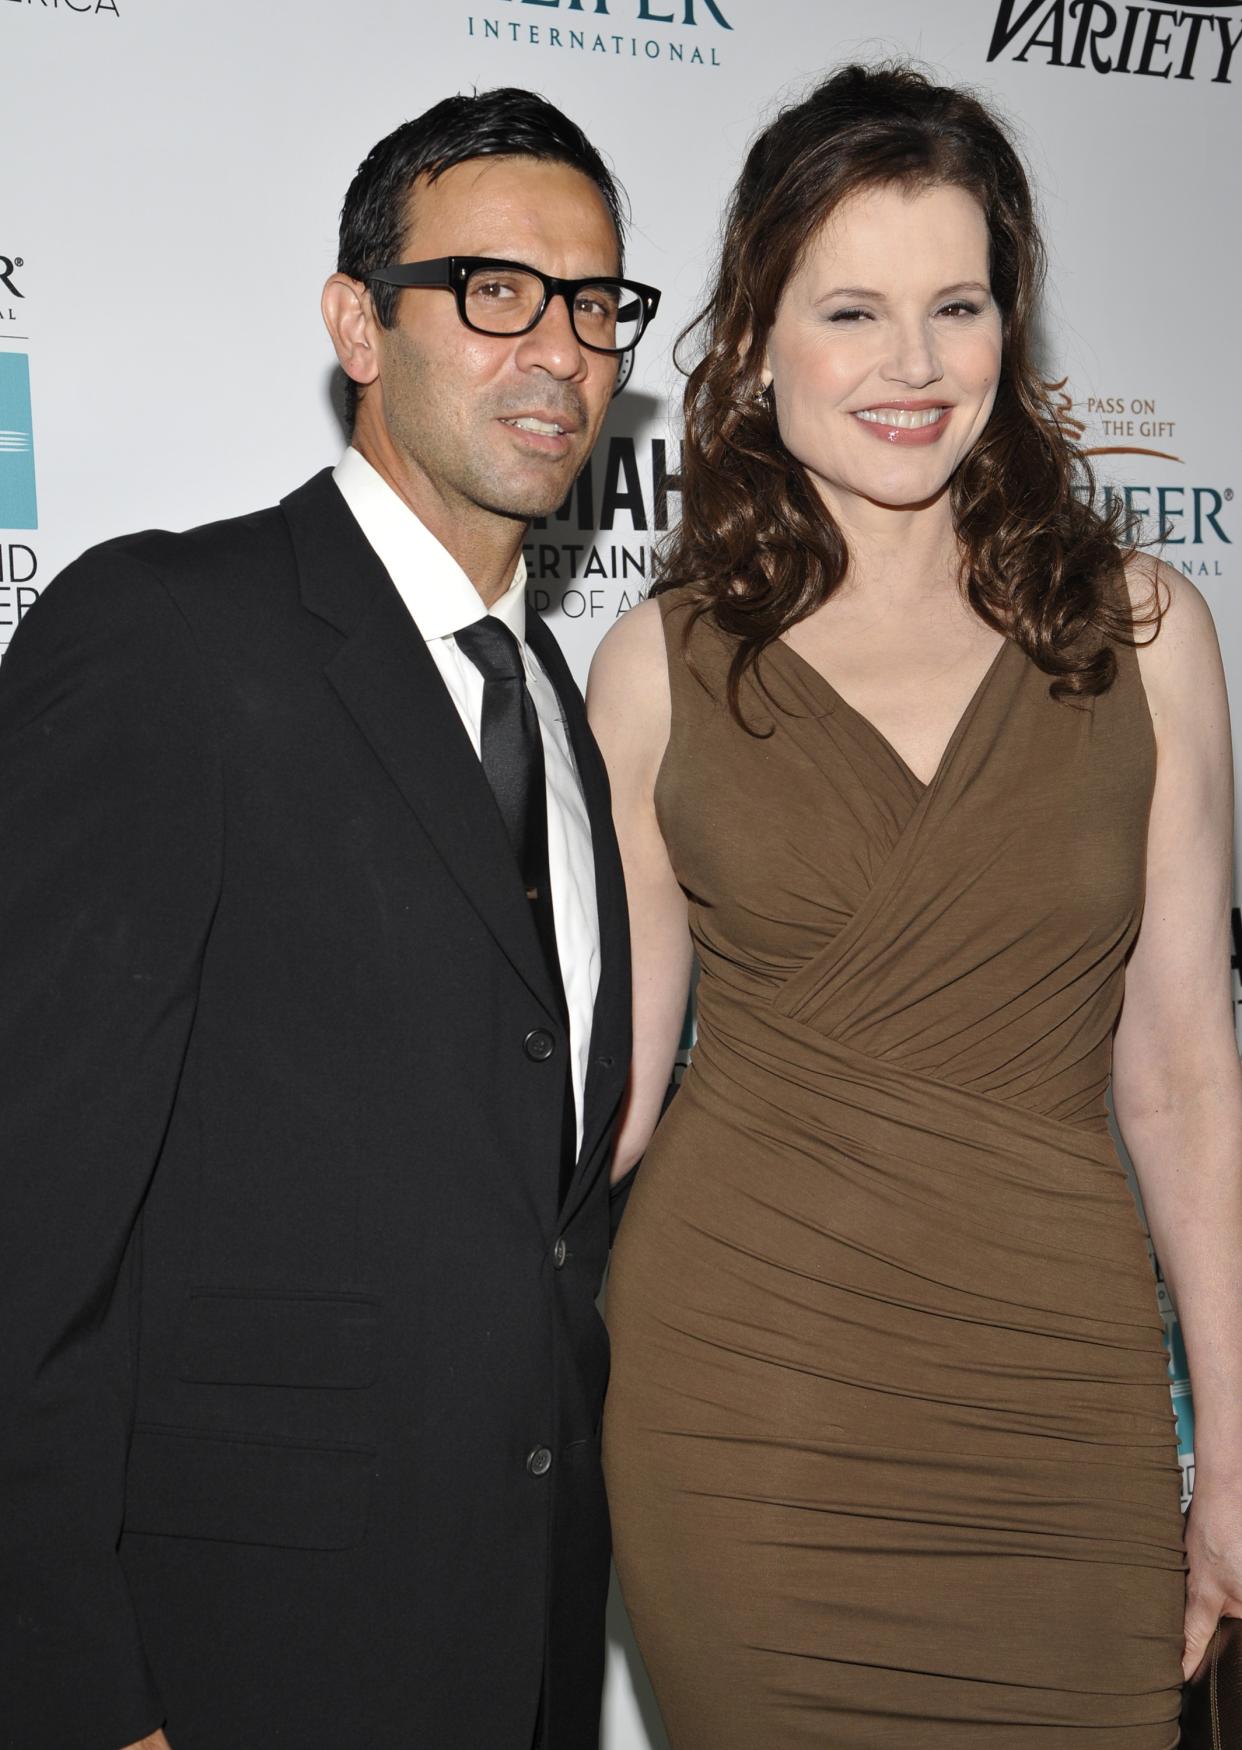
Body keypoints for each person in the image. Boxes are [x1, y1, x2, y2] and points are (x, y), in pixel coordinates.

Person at [0, 86, 660, 1750]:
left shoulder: (561, 710)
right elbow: (27, 1213)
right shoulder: (167, 635)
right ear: (358, 324)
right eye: (492, 290)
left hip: (515, 1637)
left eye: (595, 304)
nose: (559, 349)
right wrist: (78, 1693)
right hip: (233, 1651)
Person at [591, 62, 1242, 1748]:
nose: (910, 365)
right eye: (851, 309)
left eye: (955, 305)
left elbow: (1178, 1070)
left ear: (1007, 331)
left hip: (1059, 1397)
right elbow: (604, 1099)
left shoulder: (1146, 633)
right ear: (752, 340)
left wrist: (1232, 1442)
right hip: (750, 1409)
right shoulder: (656, 669)